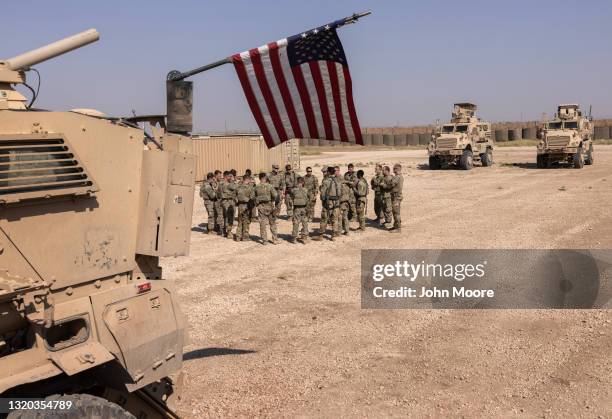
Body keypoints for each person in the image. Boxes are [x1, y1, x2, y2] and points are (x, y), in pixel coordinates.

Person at [314, 166, 342, 241]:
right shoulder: (338, 180)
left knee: (324, 218)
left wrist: (323, 199)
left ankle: (321, 235)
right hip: (336, 202)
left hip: (328, 203)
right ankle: (334, 235)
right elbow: (340, 192)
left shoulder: (326, 181)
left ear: (329, 172)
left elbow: (323, 194)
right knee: (335, 219)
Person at [254, 173, 278, 245]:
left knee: (262, 224)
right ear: (265, 178)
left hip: (261, 207)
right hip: (269, 206)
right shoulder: (270, 186)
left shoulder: (256, 187)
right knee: (272, 223)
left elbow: (252, 196)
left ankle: (265, 240)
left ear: (259, 178)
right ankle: (275, 239)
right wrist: (273, 201)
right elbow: (275, 195)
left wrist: (257, 203)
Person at [290, 177, 311, 243]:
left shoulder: (294, 190)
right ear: (303, 182)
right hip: (304, 208)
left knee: (296, 222)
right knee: (304, 222)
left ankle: (294, 238)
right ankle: (304, 237)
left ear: (297, 182)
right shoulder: (306, 190)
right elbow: (309, 198)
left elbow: (291, 197)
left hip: (296, 208)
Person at [234, 175, 255, 241]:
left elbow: (235, 197)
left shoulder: (238, 187)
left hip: (240, 206)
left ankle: (238, 236)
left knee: (240, 221)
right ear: (248, 180)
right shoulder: (250, 188)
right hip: (247, 206)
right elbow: (252, 197)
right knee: (246, 221)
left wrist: (238, 202)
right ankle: (245, 237)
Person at [384, 163, 404, 232]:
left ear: (398, 169)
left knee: (396, 213)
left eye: (394, 168)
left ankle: (398, 228)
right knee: (395, 212)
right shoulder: (398, 176)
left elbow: (391, 184)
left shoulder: (397, 177)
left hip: (396, 197)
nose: (393, 170)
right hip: (395, 197)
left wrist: (385, 185)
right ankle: (396, 226)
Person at [218, 171, 237, 238]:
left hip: (223, 201)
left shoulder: (220, 183)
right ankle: (229, 232)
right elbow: (236, 188)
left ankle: (223, 231)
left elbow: (218, 194)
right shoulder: (229, 184)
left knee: (224, 217)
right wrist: (233, 180)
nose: (231, 177)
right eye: (230, 176)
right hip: (229, 201)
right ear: (226, 176)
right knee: (230, 217)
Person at [215, 171, 227, 235]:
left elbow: (218, 194)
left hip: (220, 201)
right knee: (223, 216)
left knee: (221, 216)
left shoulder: (220, 184)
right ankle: (223, 230)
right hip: (224, 202)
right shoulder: (227, 184)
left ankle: (222, 230)